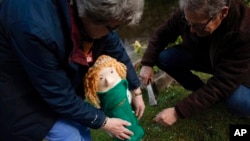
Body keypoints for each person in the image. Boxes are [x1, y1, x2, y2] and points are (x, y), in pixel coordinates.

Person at [0, 0, 145, 141]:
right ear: (90, 17)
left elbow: (113, 45)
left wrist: (135, 88)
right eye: (112, 27)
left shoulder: (91, 14)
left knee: (80, 124)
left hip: (49, 78)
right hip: (22, 94)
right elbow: (58, 95)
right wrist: (104, 122)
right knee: (68, 135)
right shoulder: (35, 28)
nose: (112, 32)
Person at [139, 0, 250, 126]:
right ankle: (200, 91)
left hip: (242, 69)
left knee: (237, 104)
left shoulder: (244, 30)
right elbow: (162, 34)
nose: (191, 30)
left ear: (223, 13)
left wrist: (178, 111)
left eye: (198, 26)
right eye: (188, 23)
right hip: (209, 57)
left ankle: (209, 97)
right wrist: (147, 63)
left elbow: (223, 83)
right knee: (165, 58)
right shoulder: (190, 10)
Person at [84, 55, 144, 141]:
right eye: (101, 78)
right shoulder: (104, 98)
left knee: (133, 126)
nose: (108, 81)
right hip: (118, 124)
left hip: (130, 116)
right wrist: (105, 123)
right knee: (124, 134)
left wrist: (136, 94)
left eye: (111, 72)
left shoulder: (123, 83)